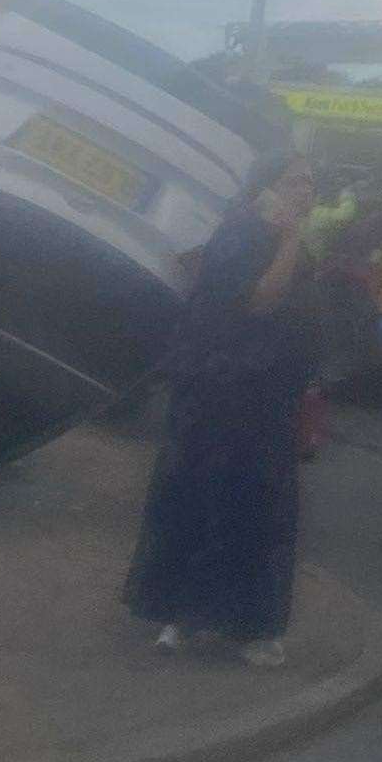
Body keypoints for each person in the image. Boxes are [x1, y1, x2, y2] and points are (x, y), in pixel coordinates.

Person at [124, 157, 319, 669]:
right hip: (226, 389)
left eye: (311, 186)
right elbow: (262, 300)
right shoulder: (249, 236)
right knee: (208, 493)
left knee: (249, 503)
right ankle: (186, 613)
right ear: (265, 190)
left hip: (263, 395)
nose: (304, 194)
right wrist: (292, 241)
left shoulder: (249, 235)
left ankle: (235, 620)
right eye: (294, 182)